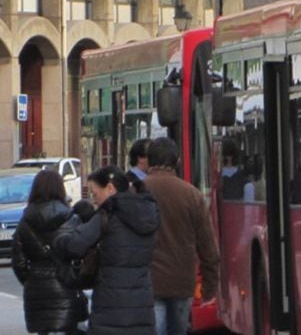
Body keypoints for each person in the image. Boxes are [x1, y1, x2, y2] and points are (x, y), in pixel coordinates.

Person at [53, 166, 159, 334]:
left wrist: (58, 241)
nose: (94, 201)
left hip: (111, 307)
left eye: (95, 194)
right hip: (142, 305)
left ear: (110, 188)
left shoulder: (107, 215)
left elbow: (75, 245)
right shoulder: (146, 214)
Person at [142, 137, 219, 335]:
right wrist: (210, 286)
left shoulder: (137, 192)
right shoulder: (192, 195)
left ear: (149, 161)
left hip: (148, 280)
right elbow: (207, 245)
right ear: (176, 161)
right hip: (182, 280)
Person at [12, 169, 88, 335]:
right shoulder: (72, 219)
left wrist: (32, 278)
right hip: (66, 285)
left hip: (37, 289)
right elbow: (82, 252)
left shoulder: (25, 222)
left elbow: (18, 261)